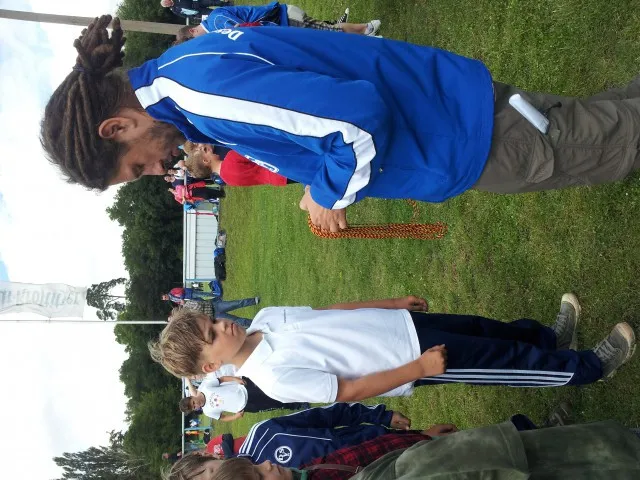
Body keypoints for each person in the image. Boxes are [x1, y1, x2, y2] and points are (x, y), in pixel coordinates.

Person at [41, 16, 640, 234]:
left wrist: (327, 194)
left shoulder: (200, 93)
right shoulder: (185, 80)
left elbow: (356, 121)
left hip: (465, 137)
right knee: (610, 122)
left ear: (116, 128)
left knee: (620, 141)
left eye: (136, 167)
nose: (157, 169)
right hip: (456, 120)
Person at [149, 293, 636, 403]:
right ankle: (589, 367)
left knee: (488, 330)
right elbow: (349, 390)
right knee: (504, 362)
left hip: (403, 325)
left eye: (211, 320)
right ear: (210, 366)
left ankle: (551, 339)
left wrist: (392, 304)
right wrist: (417, 368)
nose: (222, 326)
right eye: (213, 336)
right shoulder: (273, 379)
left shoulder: (263, 320)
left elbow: (332, 312)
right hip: (411, 359)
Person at [167, 416, 640, 479]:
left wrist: (421, 438)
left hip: (412, 450)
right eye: (260, 475)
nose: (267, 465)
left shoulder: (270, 441)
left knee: (527, 441)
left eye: (207, 471)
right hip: (442, 466)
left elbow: (342, 426)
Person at [175, 2, 381, 43]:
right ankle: (366, 31)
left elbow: (246, 31)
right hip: (284, 22)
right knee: (328, 33)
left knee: (329, 33)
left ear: (192, 31)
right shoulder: (214, 23)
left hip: (285, 19)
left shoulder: (216, 21)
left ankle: (367, 29)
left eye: (194, 41)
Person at [181, 374, 309, 421]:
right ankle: (297, 404)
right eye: (194, 408)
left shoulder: (204, 387)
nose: (196, 405)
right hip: (246, 406)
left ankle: (295, 390)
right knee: (273, 404)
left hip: (245, 390)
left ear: (192, 397)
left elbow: (222, 379)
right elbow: (222, 417)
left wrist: (235, 379)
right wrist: (235, 416)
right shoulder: (208, 411)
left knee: (271, 389)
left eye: (193, 403)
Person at [183, 141, 292, 186]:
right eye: (204, 151)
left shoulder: (227, 180)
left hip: (277, 180)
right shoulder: (231, 158)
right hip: (282, 165)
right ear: (206, 161)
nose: (208, 149)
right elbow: (258, 151)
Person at [163, 291, 259, 327]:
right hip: (216, 317)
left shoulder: (186, 305)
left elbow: (198, 304)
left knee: (236, 303)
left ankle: (253, 301)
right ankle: (257, 324)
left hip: (215, 306)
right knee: (237, 321)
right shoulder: (188, 320)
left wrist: (199, 313)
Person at [160, 0, 230, 21]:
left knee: (212, 2)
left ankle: (226, 3)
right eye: (166, 5)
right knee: (211, 13)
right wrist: (193, 17)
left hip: (197, 2)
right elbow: (184, 16)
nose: (167, 4)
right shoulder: (174, 10)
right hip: (197, 12)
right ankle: (227, 12)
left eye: (166, 2)